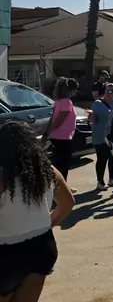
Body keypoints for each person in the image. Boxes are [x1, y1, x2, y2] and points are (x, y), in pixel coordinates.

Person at [0, 121, 75, 302]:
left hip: (6, 253)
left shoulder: (3, 176)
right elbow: (68, 203)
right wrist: (47, 224)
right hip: (41, 246)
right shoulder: (47, 170)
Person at [46, 78, 79, 189]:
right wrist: (49, 131)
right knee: (63, 165)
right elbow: (59, 120)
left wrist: (48, 132)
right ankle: (62, 188)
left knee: (58, 163)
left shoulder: (58, 101)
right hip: (63, 138)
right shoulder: (66, 102)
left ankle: (60, 186)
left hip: (57, 137)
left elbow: (52, 119)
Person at [90, 82, 113, 190]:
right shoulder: (97, 103)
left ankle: (112, 179)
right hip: (99, 136)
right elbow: (92, 119)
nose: (108, 93)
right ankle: (100, 182)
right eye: (106, 91)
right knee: (102, 159)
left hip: (112, 137)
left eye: (110, 91)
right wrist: (92, 116)